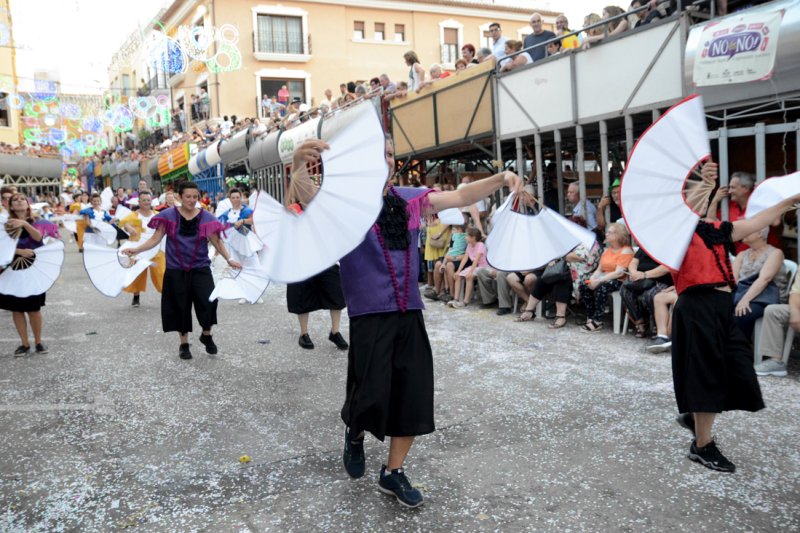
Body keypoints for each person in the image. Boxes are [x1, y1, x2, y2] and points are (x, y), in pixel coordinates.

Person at [287, 138, 522, 508]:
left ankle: (392, 472)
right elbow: (305, 196)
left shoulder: (411, 199)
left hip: (409, 311)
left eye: (390, 154)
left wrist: (502, 178)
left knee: (413, 393)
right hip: (369, 312)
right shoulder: (345, 204)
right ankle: (355, 432)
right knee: (370, 393)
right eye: (378, 153)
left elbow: (461, 196)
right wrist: (299, 163)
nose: (386, 159)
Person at [669, 161, 800, 473]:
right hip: (697, 306)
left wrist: (789, 201)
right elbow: (686, 208)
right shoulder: (675, 233)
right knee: (706, 374)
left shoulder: (715, 231)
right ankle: (702, 445)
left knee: (736, 368)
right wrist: (704, 185)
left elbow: (757, 221)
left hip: (721, 306)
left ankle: (695, 416)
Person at [121, 181, 242, 360]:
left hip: (200, 267)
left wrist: (229, 259)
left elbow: (217, 241)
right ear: (179, 196)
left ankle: (206, 335)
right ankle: (184, 344)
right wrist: (136, 250)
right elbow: (155, 239)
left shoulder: (206, 217)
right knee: (180, 306)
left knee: (209, 302)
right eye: (188, 197)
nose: (192, 200)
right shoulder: (168, 216)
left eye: (195, 197)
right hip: (176, 269)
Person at [283, 173, 348, 351]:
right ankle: (304, 333)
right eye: (304, 188)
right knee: (301, 295)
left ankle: (335, 331)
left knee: (336, 294)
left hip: (326, 258)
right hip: (301, 260)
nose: (309, 190)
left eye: (311, 187)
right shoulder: (292, 209)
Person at [0, 193, 60, 356]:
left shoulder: (37, 221)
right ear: (11, 206)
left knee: (34, 309)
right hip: (11, 268)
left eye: (22, 199)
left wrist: (24, 224)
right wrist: (19, 251)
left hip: (33, 268)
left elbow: (38, 238)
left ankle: (38, 342)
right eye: (15, 200)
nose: (19, 201)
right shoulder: (5, 224)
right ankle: (24, 344)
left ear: (28, 204)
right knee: (17, 309)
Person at [579, 222, 635, 331]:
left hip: (619, 280)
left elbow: (619, 273)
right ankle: (591, 317)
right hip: (604, 278)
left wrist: (599, 280)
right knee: (584, 286)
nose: (606, 234)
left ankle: (597, 321)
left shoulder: (626, 250)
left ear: (619, 235)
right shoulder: (607, 251)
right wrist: (592, 279)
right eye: (607, 232)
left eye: (610, 232)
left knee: (602, 287)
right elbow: (599, 270)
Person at [732, 228, 786, 339]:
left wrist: (745, 300)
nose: (743, 232)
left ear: (760, 234)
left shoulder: (775, 253)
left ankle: (740, 347)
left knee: (743, 313)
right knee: (717, 307)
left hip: (766, 297)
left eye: (748, 229)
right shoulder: (741, 255)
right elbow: (732, 281)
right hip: (742, 293)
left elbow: (765, 279)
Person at [120, 191, 165, 308]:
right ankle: (136, 296)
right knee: (138, 273)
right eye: (144, 200)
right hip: (138, 249)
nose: (146, 202)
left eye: (148, 200)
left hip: (156, 248)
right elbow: (125, 223)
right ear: (139, 202)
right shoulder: (134, 215)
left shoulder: (157, 214)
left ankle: (167, 296)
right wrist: (129, 228)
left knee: (161, 273)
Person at [447, 228, 488, 308]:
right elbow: (465, 259)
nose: (465, 237)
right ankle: (456, 299)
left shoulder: (480, 245)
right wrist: (458, 271)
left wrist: (470, 272)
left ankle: (465, 301)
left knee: (469, 277)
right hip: (475, 267)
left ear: (473, 238)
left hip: (482, 267)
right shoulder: (469, 245)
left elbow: (476, 260)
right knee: (458, 276)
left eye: (467, 236)